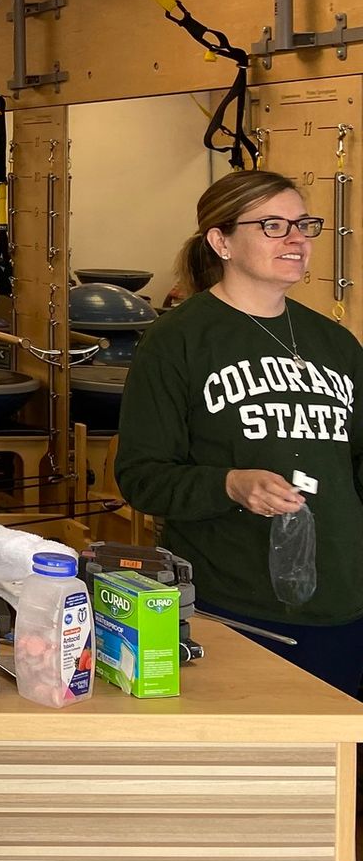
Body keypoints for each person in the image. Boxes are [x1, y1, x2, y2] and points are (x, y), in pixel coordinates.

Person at [116, 168, 363, 695]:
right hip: (235, 603)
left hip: (344, 601)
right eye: (272, 225)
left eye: (303, 224)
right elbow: (142, 477)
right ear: (220, 240)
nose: (296, 239)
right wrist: (230, 484)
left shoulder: (335, 343)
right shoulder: (176, 341)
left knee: (336, 771)